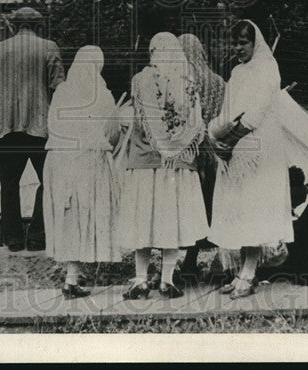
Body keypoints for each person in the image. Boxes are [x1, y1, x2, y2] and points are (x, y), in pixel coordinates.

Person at [0, 7, 65, 252]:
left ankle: (13, 239)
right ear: (38, 26)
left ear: (14, 25)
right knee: (48, 181)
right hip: (38, 126)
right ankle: (37, 236)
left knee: (8, 184)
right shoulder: (48, 47)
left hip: (5, 127)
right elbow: (58, 85)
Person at [118, 32, 208, 300]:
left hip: (145, 162)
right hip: (177, 166)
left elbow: (137, 120)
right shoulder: (187, 81)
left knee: (142, 222)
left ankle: (140, 280)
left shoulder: (141, 80)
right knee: (172, 222)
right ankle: (167, 280)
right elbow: (197, 127)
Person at [207, 20, 293, 299]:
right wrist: (218, 138)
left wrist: (230, 142)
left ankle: (250, 272)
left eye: (243, 42)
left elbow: (256, 112)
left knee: (254, 205)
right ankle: (241, 270)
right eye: (234, 43)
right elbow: (228, 109)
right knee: (239, 207)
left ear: (255, 42)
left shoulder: (267, 68)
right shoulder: (237, 72)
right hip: (236, 146)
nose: (238, 48)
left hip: (259, 147)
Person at [42, 46, 122, 299]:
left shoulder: (62, 91)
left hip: (59, 161)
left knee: (68, 218)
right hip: (89, 161)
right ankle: (73, 277)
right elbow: (113, 133)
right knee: (85, 216)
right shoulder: (103, 94)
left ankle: (72, 276)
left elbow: (51, 124)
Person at [177, 33, 225, 280]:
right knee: (216, 205)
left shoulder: (182, 81)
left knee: (193, 208)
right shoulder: (217, 81)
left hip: (192, 152)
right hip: (216, 150)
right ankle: (223, 261)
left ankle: (189, 262)